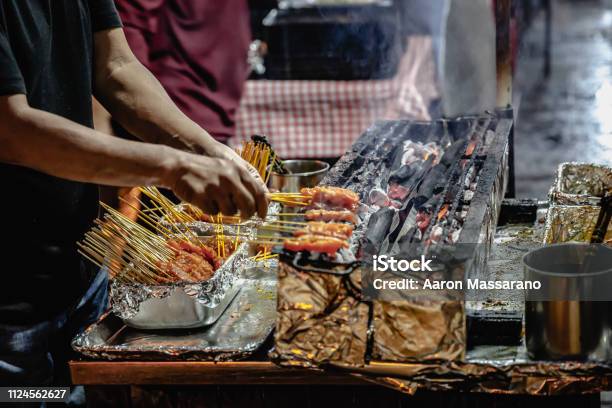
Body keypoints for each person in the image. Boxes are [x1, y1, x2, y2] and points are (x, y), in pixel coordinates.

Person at [0, 0, 268, 391]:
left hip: (76, 266)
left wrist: (207, 150)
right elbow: (12, 131)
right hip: (11, 298)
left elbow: (115, 66)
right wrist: (172, 166)